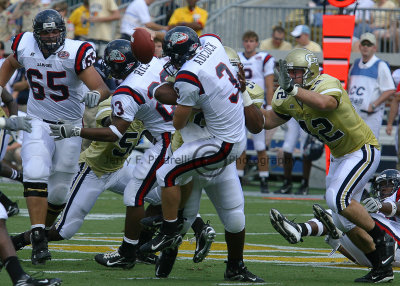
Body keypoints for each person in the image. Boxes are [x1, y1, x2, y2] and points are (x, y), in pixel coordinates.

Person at [138, 27, 263, 282]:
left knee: (235, 217)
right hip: (196, 154)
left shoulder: (194, 74)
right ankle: (168, 254)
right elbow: (159, 91)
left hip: (218, 155)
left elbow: (258, 125)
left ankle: (235, 266)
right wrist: (191, 97)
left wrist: (244, 92)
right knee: (184, 219)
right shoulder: (207, 53)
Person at [262, 48, 395, 283]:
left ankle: (382, 238)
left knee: (336, 197)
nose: (291, 77)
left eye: (296, 72)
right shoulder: (287, 95)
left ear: (311, 71)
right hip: (339, 155)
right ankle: (381, 267)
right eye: (289, 73)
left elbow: (326, 104)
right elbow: (266, 121)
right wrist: (241, 105)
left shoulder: (326, 82)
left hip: (361, 149)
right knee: (343, 221)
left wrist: (293, 89)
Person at [49, 39, 175, 269]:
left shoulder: (127, 93)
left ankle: (132, 251)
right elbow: (112, 123)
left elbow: (117, 130)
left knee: (145, 196)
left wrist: (74, 130)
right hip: (98, 168)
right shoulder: (151, 69)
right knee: (64, 230)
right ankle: (23, 240)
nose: (111, 73)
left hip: (137, 157)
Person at [0, 9, 110, 265]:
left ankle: (39, 234)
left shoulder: (75, 52)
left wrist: (97, 95)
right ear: (37, 34)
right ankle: (38, 235)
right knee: (35, 170)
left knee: (59, 193)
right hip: (37, 121)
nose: (51, 36)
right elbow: (8, 66)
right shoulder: (25, 46)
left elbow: (101, 87)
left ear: (62, 30)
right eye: (46, 32)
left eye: (55, 31)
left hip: (68, 126)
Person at [270, 169, 400, 281]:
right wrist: (341, 244)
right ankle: (300, 229)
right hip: (380, 255)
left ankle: (311, 229)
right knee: (340, 217)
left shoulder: (391, 199)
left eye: (387, 184)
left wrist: (382, 206)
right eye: (381, 185)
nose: (383, 188)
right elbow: (358, 259)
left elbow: (396, 208)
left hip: (395, 244)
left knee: (361, 216)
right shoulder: (378, 203)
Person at [236, 31, 275, 193]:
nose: (248, 44)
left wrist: (270, 106)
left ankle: (264, 179)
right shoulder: (237, 57)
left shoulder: (264, 58)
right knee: (240, 145)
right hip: (240, 105)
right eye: (246, 41)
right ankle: (238, 178)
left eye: (251, 41)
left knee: (260, 145)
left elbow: (269, 84)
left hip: (257, 105)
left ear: (257, 43)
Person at [348, 32, 395, 140]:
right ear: (359, 46)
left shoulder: (380, 65)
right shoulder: (355, 63)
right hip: (354, 115)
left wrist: (373, 105)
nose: (365, 47)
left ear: (374, 47)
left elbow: (390, 89)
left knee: (369, 146)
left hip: (370, 116)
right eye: (363, 44)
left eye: (369, 44)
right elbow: (350, 84)